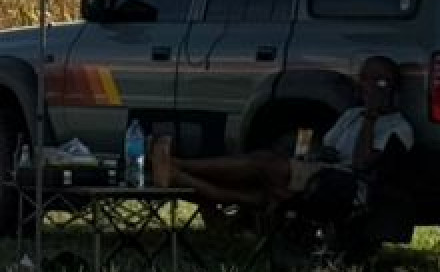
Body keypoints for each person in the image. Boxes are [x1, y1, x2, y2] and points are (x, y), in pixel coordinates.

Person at [164, 58, 412, 207]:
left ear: (389, 88)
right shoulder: (351, 115)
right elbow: (329, 147)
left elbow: (361, 164)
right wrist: (314, 152)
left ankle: (180, 166)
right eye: (364, 79)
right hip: (321, 168)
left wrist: (371, 118)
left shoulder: (398, 128)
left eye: (374, 81)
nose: (365, 87)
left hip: (342, 182)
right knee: (260, 174)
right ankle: (179, 174)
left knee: (264, 164)